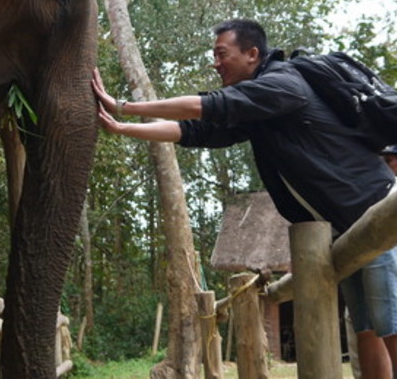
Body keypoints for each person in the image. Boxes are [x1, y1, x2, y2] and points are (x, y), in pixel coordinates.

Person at [92, 19, 397, 379]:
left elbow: (208, 106)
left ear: (252, 54)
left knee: (390, 325)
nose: (216, 63)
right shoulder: (259, 109)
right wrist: (122, 127)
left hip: (372, 207)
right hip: (344, 225)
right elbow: (195, 130)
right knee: (367, 328)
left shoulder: (283, 84)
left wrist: (124, 106)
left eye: (222, 54)